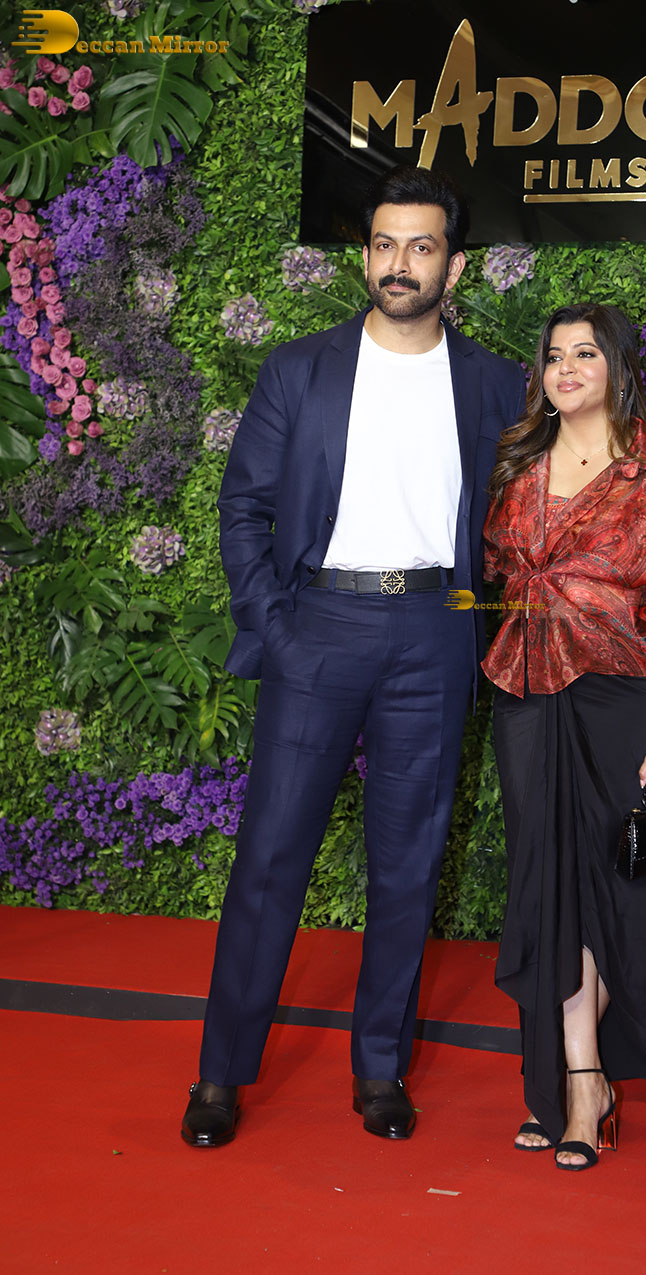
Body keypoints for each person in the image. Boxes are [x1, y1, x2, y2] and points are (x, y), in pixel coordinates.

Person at [180, 166, 526, 1147]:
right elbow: (243, 508)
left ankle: (380, 1069)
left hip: (434, 632)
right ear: (364, 255)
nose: (398, 263)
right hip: (318, 627)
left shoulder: (496, 383)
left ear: (454, 266)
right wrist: (278, 625)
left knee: (408, 865)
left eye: (421, 246)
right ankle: (220, 1074)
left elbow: (532, 513)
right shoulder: (300, 369)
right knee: (269, 858)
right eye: (383, 244)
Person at [481, 304, 646, 1170]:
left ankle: (583, 1076)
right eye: (553, 356)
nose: (566, 369)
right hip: (526, 699)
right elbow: (495, 578)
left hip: (622, 701)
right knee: (548, 888)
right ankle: (578, 1082)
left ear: (618, 369)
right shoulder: (517, 466)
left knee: (619, 890)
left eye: (585, 353)